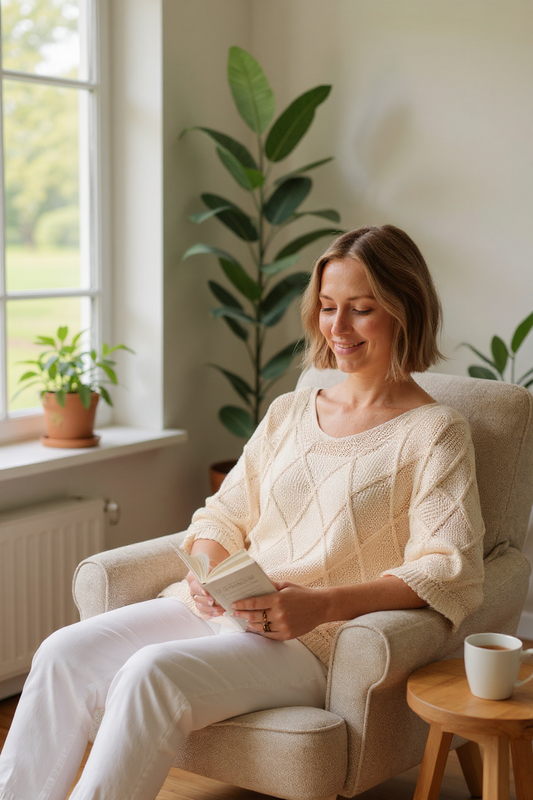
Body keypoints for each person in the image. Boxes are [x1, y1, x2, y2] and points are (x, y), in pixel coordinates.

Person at [0, 224, 485, 800]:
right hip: (220, 609)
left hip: (311, 642)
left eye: (361, 309)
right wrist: (206, 569)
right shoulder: (289, 412)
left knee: (151, 673)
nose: (338, 328)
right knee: (63, 651)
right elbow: (220, 515)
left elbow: (445, 568)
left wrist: (321, 604)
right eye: (328, 307)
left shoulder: (437, 432)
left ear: (406, 310)